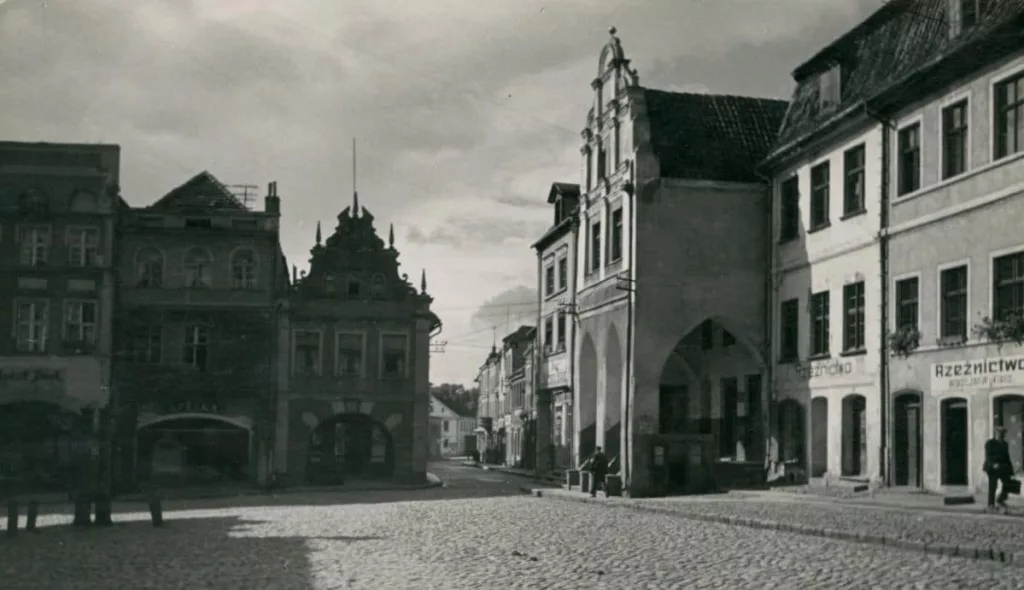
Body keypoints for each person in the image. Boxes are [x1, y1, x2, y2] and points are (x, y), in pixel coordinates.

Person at [984, 426, 1013, 512]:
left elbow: (1007, 457)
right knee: (993, 486)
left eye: (1003, 434)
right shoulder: (990, 443)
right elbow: (988, 456)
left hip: (1003, 467)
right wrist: (993, 464)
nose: (1002, 436)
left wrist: (1011, 469)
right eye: (1000, 434)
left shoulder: (1005, 444)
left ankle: (1000, 499)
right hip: (992, 468)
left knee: (1008, 484)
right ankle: (990, 505)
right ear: (996, 434)